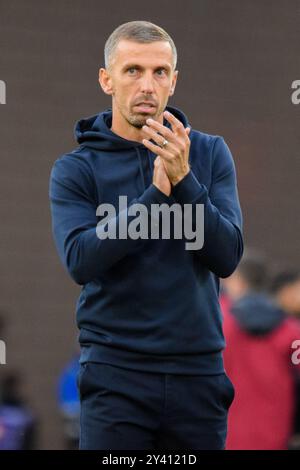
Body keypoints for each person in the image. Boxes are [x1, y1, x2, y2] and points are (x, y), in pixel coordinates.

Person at [49, 20, 244, 450]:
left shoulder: (209, 153)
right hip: (115, 374)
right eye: (132, 70)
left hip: (198, 376)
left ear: (173, 81)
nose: (147, 85)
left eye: (159, 72)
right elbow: (81, 261)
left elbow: (227, 257)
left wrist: (186, 182)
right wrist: (155, 195)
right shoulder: (77, 168)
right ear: (107, 80)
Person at [221, 251, 300, 449]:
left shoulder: (218, 325)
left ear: (238, 282)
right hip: (276, 435)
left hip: (224, 434)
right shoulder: (291, 331)